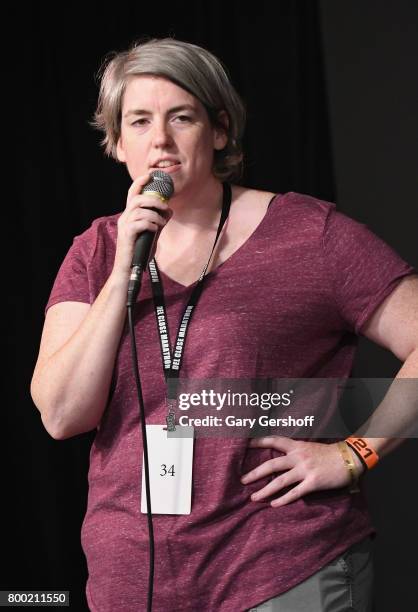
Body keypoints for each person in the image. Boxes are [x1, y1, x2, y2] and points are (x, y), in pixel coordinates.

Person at [30, 37, 418, 612]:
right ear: (116, 144)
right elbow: (63, 415)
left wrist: (354, 452)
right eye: (138, 121)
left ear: (217, 130)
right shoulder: (97, 251)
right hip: (132, 580)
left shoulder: (310, 233)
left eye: (180, 116)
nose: (159, 139)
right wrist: (121, 275)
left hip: (280, 566)